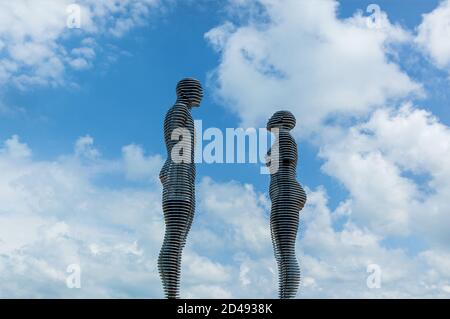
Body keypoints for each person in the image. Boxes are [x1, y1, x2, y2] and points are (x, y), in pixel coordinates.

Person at [158, 78, 203, 299]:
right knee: (174, 239)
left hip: (182, 178)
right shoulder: (178, 110)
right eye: (198, 90)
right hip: (179, 180)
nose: (201, 95)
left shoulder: (183, 112)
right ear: (186, 91)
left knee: (177, 240)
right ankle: (171, 296)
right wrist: (177, 174)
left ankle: (172, 293)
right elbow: (177, 149)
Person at [266, 110, 307, 299]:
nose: (268, 120)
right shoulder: (282, 139)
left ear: (280, 120)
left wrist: (269, 159)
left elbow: (285, 163)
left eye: (272, 117)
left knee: (286, 253)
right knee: (284, 252)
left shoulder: (283, 137)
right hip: (285, 192)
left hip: (286, 192)